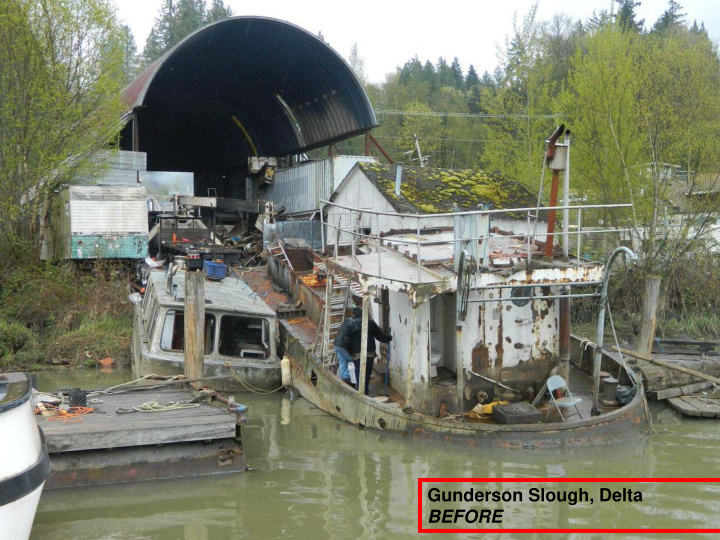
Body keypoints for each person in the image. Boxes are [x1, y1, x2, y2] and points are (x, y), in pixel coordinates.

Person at [350, 307, 392, 395]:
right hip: (369, 353)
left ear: (354, 315)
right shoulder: (370, 323)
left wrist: (350, 352)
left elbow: (347, 339)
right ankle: (365, 393)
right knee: (367, 374)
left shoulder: (351, 324)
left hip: (357, 354)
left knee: (359, 374)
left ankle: (361, 393)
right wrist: (389, 338)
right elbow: (379, 336)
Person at [333, 310, 355, 386]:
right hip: (343, 346)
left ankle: (343, 382)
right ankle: (346, 378)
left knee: (342, 363)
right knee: (354, 361)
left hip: (336, 344)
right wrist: (352, 351)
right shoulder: (354, 323)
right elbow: (347, 340)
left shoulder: (346, 321)